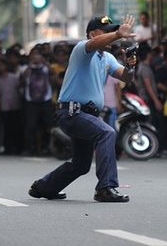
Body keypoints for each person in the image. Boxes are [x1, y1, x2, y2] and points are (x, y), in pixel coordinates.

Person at [28, 15, 137, 203]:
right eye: (107, 32)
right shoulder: (82, 50)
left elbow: (126, 78)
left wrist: (130, 66)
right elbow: (93, 44)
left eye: (113, 31)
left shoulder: (107, 58)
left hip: (86, 115)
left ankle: (43, 187)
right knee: (107, 133)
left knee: (81, 164)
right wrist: (118, 34)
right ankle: (105, 188)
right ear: (92, 34)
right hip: (72, 112)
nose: (111, 36)